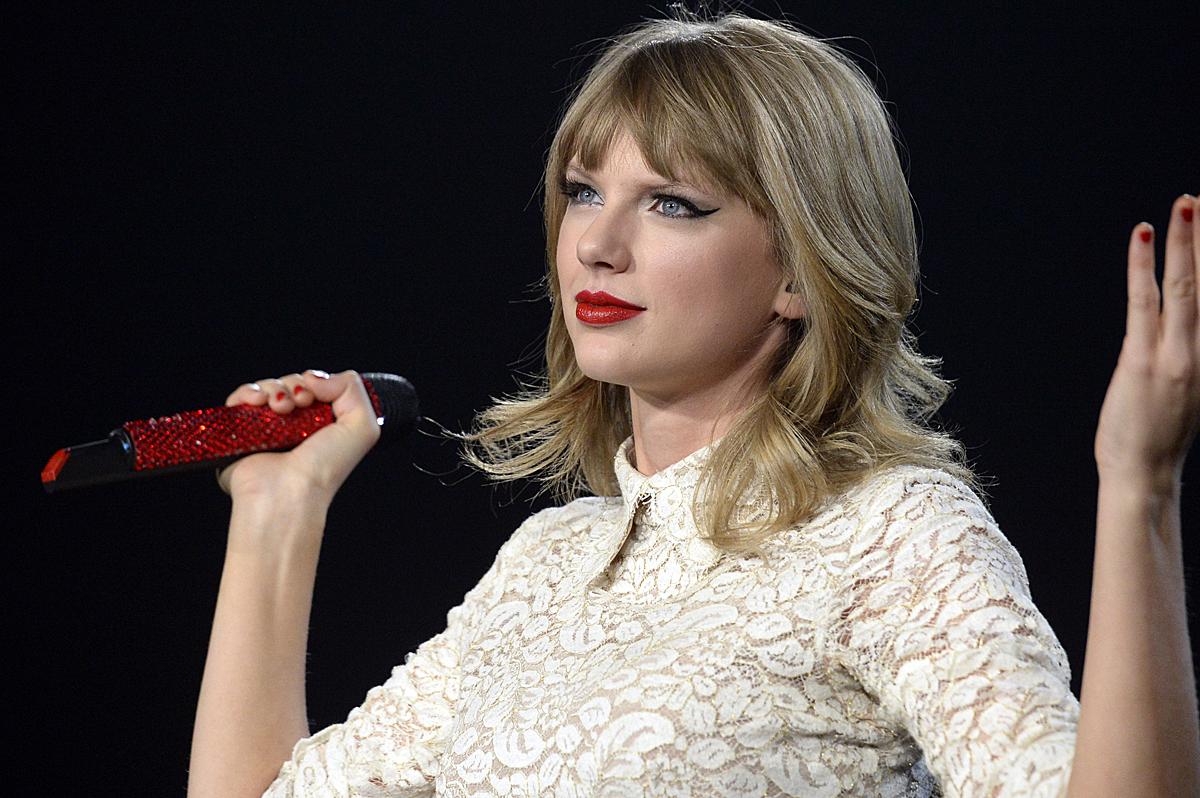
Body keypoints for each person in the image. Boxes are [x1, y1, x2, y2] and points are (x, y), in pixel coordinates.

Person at [186, 12, 1200, 798]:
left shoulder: (893, 534)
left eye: (674, 203)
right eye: (585, 191)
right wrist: (276, 516)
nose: (598, 242)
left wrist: (1138, 494)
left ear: (801, 270)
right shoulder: (545, 567)